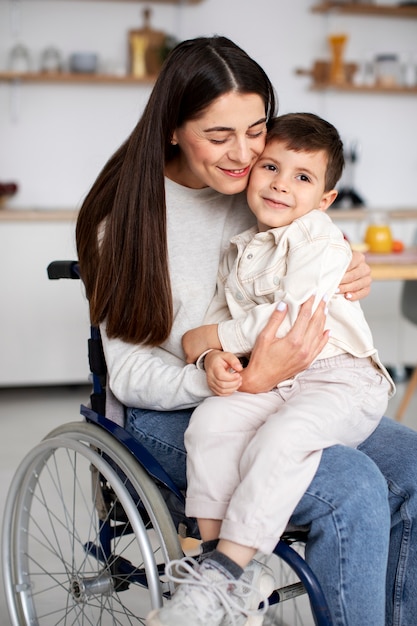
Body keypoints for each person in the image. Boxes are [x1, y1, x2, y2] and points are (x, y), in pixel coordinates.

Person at [75, 36, 417, 626]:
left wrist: (345, 262)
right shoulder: (125, 221)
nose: (244, 155)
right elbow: (129, 373)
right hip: (175, 410)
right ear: (174, 129)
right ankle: (226, 579)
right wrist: (234, 379)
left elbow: (312, 247)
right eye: (219, 136)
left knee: (411, 462)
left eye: (256, 130)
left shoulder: (265, 188)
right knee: (353, 485)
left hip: (287, 388)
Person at [155, 112, 395, 625]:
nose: (281, 185)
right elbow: (227, 317)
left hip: (340, 379)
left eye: (302, 178)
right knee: (212, 423)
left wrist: (208, 337)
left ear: (325, 201)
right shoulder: (243, 249)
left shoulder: (320, 240)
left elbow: (285, 316)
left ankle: (225, 569)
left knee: (283, 437)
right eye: (271, 167)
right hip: (283, 376)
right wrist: (207, 355)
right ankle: (221, 575)